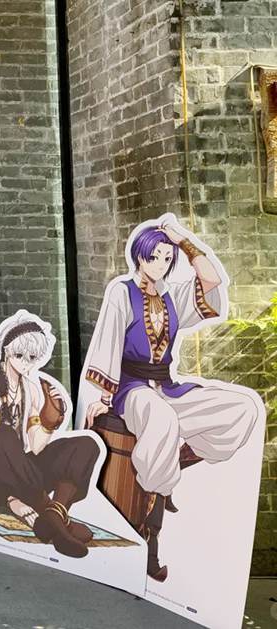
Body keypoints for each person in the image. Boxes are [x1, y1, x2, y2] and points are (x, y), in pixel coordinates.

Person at [82, 217, 260, 580]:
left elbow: (211, 282)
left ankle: (169, 467)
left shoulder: (172, 295)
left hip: (167, 386)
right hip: (131, 389)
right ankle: (151, 535)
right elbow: (108, 340)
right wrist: (105, 396)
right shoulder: (121, 292)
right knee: (161, 419)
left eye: (167, 258)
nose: (162, 264)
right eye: (155, 257)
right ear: (140, 257)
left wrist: (184, 242)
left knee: (241, 409)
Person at [0, 312, 100, 558]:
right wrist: (14, 499)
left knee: (85, 445)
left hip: (20, 476)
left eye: (32, 357)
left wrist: (50, 422)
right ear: (6, 350)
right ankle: (53, 517)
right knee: (3, 433)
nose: (25, 362)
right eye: (19, 355)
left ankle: (56, 513)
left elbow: (36, 446)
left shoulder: (30, 389)